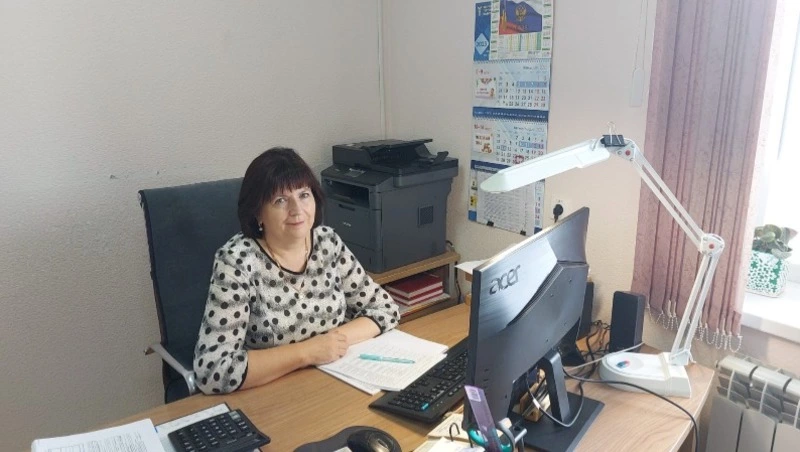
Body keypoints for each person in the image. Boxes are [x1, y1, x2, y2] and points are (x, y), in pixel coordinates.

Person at [194, 147, 400, 394]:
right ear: (257, 212)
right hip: (270, 392)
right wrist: (308, 352)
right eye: (280, 200)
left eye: (304, 195)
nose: (297, 210)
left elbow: (384, 309)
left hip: (335, 380)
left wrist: (332, 343)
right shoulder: (236, 262)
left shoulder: (327, 242)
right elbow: (212, 370)